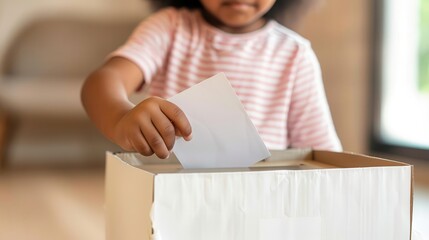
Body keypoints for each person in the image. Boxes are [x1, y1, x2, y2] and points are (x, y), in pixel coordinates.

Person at [81, 0, 342, 160]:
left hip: (261, 206)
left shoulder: (295, 55)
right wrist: (120, 118)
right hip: (172, 201)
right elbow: (104, 82)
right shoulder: (169, 29)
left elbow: (323, 154)